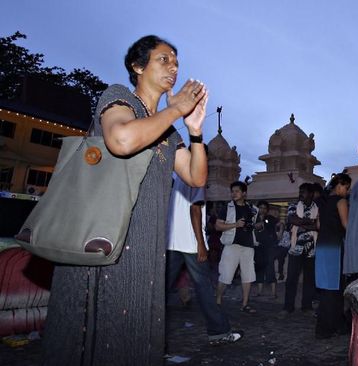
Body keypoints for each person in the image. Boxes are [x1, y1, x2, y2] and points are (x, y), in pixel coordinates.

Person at [42, 35, 208, 365]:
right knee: (98, 333)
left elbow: (195, 176)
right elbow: (120, 139)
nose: (173, 67)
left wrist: (195, 131)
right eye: (164, 59)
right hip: (104, 240)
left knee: (135, 333)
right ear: (137, 66)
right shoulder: (119, 98)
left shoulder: (168, 131)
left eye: (176, 61)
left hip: (145, 247)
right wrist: (175, 109)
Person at [166, 175, 241, 344]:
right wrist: (200, 243)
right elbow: (195, 210)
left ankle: (139, 324)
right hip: (190, 244)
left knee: (161, 288)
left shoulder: (178, 180)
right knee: (205, 288)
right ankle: (219, 331)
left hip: (172, 241)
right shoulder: (196, 177)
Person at [314, 173, 351, 339]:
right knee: (334, 289)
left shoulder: (323, 202)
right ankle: (330, 327)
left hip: (322, 246)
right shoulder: (341, 201)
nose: (347, 191)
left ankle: (328, 326)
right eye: (346, 187)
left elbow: (318, 225)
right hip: (334, 247)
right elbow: (346, 225)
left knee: (326, 289)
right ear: (339, 185)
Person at [215, 181, 258, 313]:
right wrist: (236, 225)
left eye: (237, 191)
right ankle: (217, 301)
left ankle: (245, 304)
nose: (234, 194)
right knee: (225, 275)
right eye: (232, 191)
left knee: (248, 276)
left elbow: (253, 225)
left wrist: (257, 226)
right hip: (231, 245)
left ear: (244, 193)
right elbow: (218, 226)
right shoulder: (227, 208)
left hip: (248, 246)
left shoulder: (253, 209)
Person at [278, 183, 319, 318]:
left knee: (309, 280)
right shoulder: (293, 205)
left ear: (312, 194)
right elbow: (292, 219)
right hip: (295, 249)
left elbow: (319, 226)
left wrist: (302, 222)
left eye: (304, 192)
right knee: (291, 280)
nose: (301, 194)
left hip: (311, 250)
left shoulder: (318, 208)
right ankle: (288, 307)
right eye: (300, 192)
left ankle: (306, 307)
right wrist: (311, 223)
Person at [252, 200, 279, 297]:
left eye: (264, 208)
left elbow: (280, 225)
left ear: (267, 210)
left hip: (270, 247)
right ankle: (259, 292)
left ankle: (273, 293)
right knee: (259, 268)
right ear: (258, 208)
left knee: (270, 267)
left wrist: (279, 235)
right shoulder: (254, 219)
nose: (262, 210)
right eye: (261, 208)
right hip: (258, 246)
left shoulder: (270, 218)